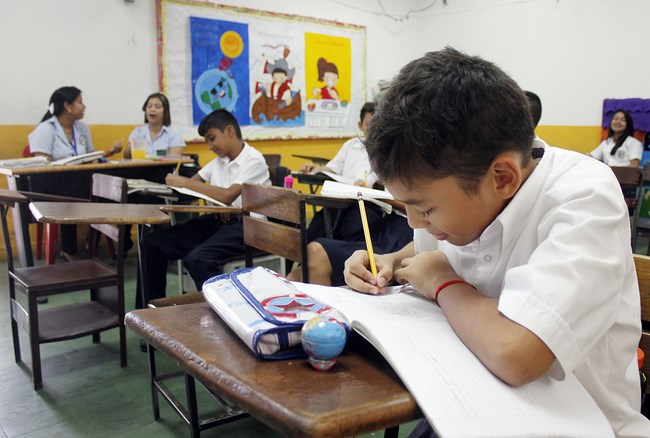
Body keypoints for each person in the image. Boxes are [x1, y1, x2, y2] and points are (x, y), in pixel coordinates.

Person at [344, 47, 650, 437]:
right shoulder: (468, 188)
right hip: (468, 398)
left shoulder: (584, 196)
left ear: (502, 178)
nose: (415, 222)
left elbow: (517, 353)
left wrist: (442, 282)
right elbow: (433, 249)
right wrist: (388, 259)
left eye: (425, 208)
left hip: (572, 422)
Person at [136, 109, 270, 310]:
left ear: (230, 131)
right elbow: (194, 183)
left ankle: (229, 314)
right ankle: (149, 314)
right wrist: (179, 184)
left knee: (198, 259)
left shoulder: (253, 159)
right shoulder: (219, 161)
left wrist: (183, 181)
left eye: (212, 138)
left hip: (248, 226)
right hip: (218, 222)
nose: (210, 146)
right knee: (152, 243)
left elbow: (227, 195)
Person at [28, 86, 123, 261]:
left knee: (108, 192)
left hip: (81, 181)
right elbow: (41, 165)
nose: (84, 106)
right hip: (54, 186)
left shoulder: (82, 128)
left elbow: (90, 156)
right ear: (67, 106)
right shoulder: (45, 129)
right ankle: (68, 249)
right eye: (80, 102)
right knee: (71, 196)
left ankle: (92, 244)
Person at [300, 102, 383, 243]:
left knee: (350, 232)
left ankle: (336, 261)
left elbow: (380, 175)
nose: (373, 129)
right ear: (360, 125)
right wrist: (315, 169)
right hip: (340, 201)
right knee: (315, 230)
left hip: (366, 204)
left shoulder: (384, 148)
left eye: (377, 124)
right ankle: (309, 262)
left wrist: (367, 183)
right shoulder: (351, 145)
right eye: (369, 124)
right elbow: (333, 167)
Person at [125, 92, 185, 158]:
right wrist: (129, 148)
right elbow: (127, 157)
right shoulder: (138, 132)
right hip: (140, 168)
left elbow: (175, 160)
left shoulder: (174, 133)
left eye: (157, 107)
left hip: (165, 168)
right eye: (149, 106)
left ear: (165, 111)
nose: (152, 109)